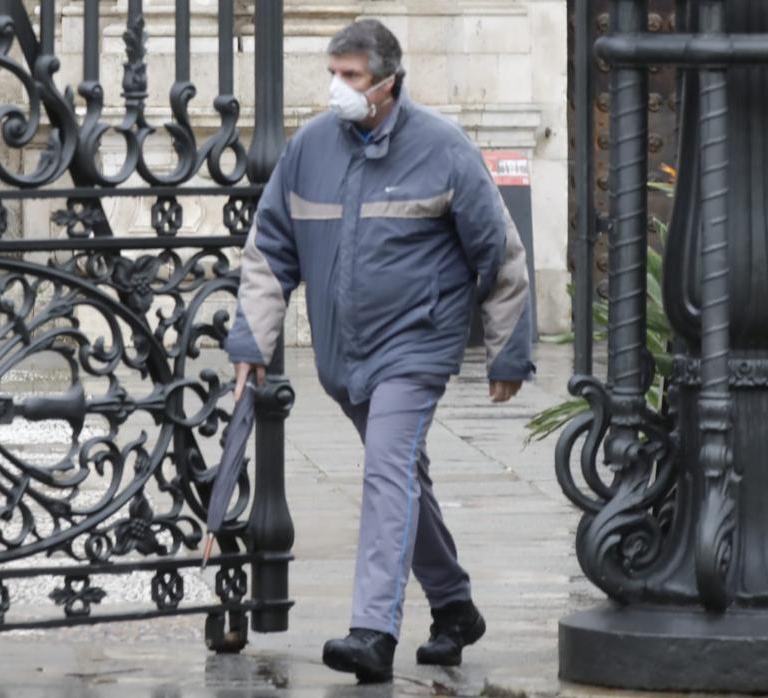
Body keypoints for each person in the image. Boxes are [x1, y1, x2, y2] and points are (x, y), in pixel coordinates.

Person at [224, 18, 535, 683]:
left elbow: (499, 253)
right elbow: (269, 249)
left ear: (388, 83)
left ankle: (372, 630)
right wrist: (251, 338)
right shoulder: (309, 149)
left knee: (384, 471)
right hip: (345, 356)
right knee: (402, 478)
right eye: (332, 73)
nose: (337, 87)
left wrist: (507, 352)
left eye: (352, 76)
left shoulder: (442, 149)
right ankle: (454, 606)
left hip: (415, 346)